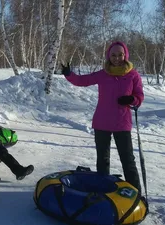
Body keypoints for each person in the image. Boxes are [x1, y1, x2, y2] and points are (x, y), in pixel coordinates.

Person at [61, 41, 144, 192]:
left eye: (120, 54)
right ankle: (103, 192)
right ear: (108, 56)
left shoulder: (133, 75)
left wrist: (131, 100)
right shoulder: (103, 74)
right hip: (102, 122)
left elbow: (139, 96)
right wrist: (69, 74)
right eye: (113, 55)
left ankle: (136, 194)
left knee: (128, 161)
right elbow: (83, 81)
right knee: (102, 160)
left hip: (122, 123)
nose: (117, 58)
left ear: (125, 55)